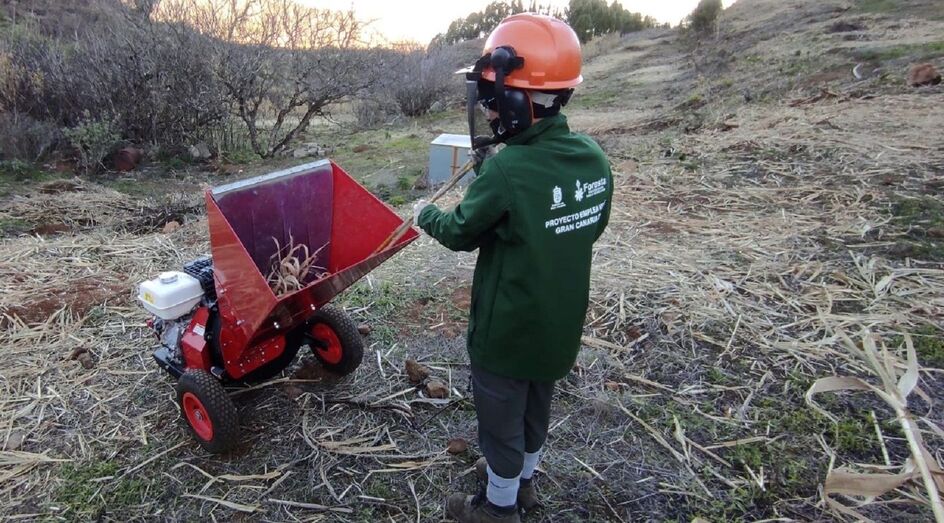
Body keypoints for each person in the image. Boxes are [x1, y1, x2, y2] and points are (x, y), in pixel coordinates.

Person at [413, 13, 613, 523]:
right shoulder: (593, 160)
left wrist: (424, 214)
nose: (487, 107)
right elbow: (590, 228)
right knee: (535, 410)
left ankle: (499, 510)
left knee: (500, 423)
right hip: (558, 326)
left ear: (515, 98)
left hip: (506, 333)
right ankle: (523, 485)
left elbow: (459, 231)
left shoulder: (506, 170)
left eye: (492, 97)